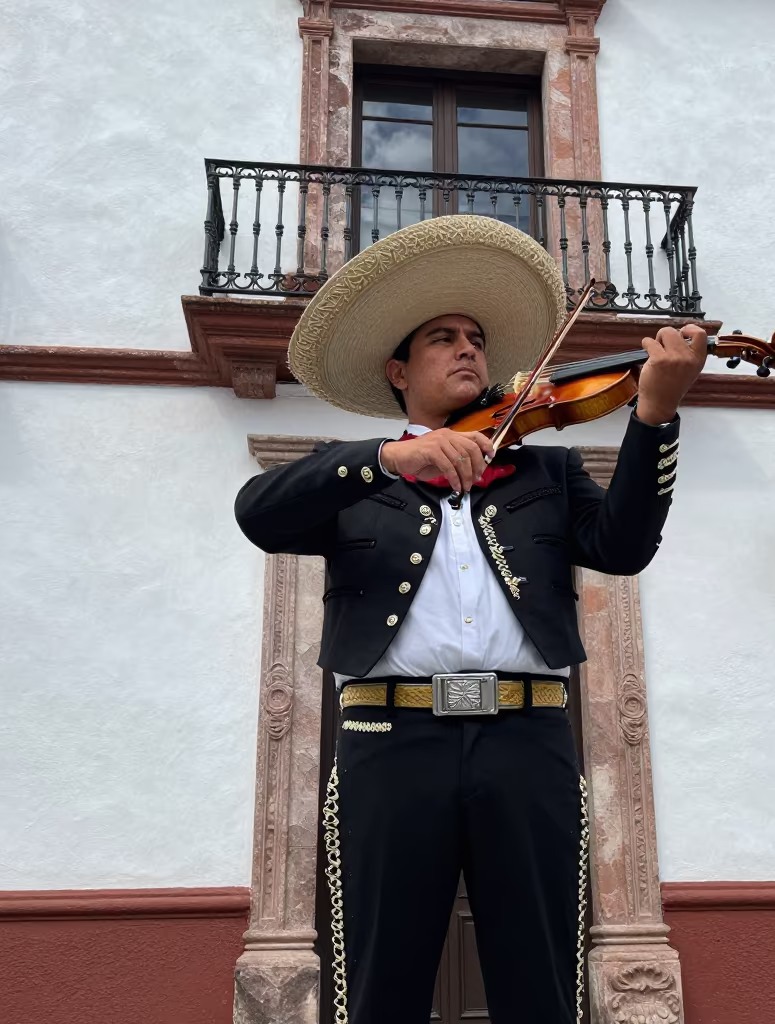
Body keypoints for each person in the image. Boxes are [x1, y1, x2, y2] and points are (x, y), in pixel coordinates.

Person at [234, 215, 706, 1024]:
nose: (469, 350)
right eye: (443, 337)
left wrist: (653, 416)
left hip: (529, 739)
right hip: (388, 744)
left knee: (539, 977)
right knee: (385, 978)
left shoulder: (548, 471)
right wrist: (386, 459)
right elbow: (258, 514)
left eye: (477, 338)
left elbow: (624, 549)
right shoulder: (354, 482)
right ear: (398, 370)